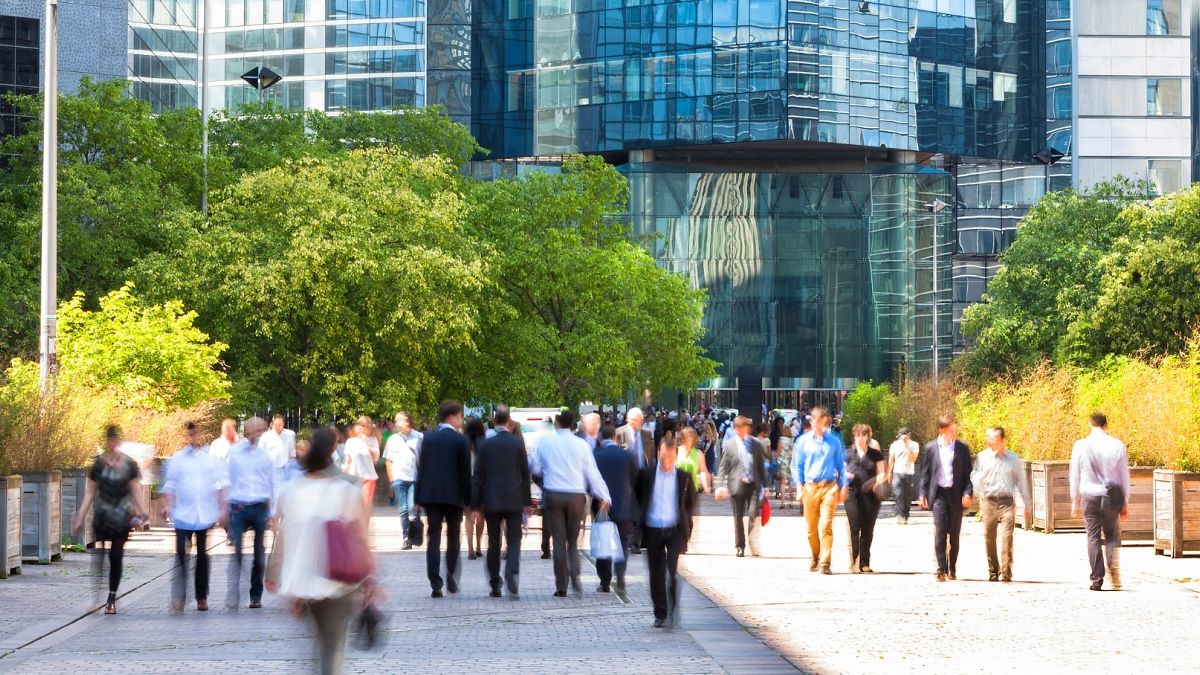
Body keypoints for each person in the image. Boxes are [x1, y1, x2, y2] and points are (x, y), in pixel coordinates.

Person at [270, 427, 374, 675]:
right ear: (333, 450)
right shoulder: (347, 488)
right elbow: (360, 537)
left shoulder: (294, 489)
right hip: (339, 581)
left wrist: (277, 577)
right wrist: (370, 579)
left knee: (320, 643)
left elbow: (285, 537)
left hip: (305, 582)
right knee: (332, 648)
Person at [531, 410, 612, 597]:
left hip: (554, 494)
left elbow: (535, 468)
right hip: (576, 496)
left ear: (557, 423)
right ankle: (575, 576)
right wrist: (605, 496)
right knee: (573, 542)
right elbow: (592, 473)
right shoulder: (581, 445)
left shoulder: (546, 442)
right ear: (573, 425)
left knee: (558, 541)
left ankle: (561, 586)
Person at [72, 425, 148, 615]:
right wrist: (80, 514)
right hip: (102, 515)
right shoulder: (98, 465)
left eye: (115, 440)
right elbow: (90, 492)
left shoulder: (129, 464)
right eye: (109, 440)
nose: (112, 444)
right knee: (99, 556)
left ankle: (111, 598)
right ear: (107, 441)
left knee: (115, 556)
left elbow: (135, 489)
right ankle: (96, 597)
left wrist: (143, 511)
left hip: (122, 517)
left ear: (119, 442)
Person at [162, 422, 227, 612]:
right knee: (181, 557)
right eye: (190, 435)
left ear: (200, 435)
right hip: (183, 514)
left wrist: (223, 508)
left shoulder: (208, 459)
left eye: (195, 434)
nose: (193, 438)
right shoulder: (178, 459)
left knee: (202, 557)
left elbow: (221, 483)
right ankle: (179, 597)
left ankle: (201, 597)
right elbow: (171, 484)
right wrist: (168, 504)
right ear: (187, 435)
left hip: (204, 514)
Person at [635, 434, 698, 628]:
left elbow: (690, 503)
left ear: (675, 455)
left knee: (672, 572)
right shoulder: (646, 474)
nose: (667, 461)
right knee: (656, 573)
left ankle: (673, 609)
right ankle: (660, 612)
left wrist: (687, 524)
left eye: (670, 457)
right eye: (663, 456)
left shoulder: (683, 477)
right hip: (653, 529)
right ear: (658, 454)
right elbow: (638, 495)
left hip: (674, 529)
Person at [471, 405, 531, 598]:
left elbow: (478, 476)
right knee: (514, 539)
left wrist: (475, 505)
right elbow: (525, 473)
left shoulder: (485, 445)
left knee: (494, 542)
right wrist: (527, 502)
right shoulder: (517, 443)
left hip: (492, 499)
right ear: (509, 423)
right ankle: (511, 570)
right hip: (514, 499)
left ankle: (495, 584)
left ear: (494, 422)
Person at [414, 400, 471, 598]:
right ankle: (451, 576)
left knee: (434, 538)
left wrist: (417, 497)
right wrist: (468, 500)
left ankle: (435, 583)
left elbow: (420, 468)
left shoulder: (427, 438)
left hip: (431, 495)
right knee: (454, 537)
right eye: (460, 417)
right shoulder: (461, 441)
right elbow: (465, 473)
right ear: (452, 417)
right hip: (454, 496)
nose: (460, 421)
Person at [1069, 413, 1131, 591]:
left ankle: (1097, 579)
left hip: (1089, 495)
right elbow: (1123, 476)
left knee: (1093, 537)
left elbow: (1075, 474)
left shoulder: (1080, 445)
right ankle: (1113, 571)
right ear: (1106, 425)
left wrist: (1075, 500)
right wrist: (1125, 501)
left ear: (1090, 425)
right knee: (1112, 535)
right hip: (1111, 496)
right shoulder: (1117, 445)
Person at [226, 416, 281, 608]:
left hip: (259, 506)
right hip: (239, 506)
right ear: (246, 431)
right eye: (252, 430)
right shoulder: (235, 453)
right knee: (238, 550)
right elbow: (228, 480)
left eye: (259, 431)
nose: (254, 435)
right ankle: (234, 590)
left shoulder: (266, 455)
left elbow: (273, 483)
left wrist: (274, 514)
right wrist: (226, 507)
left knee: (259, 553)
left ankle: (255, 595)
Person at [791, 406, 848, 574]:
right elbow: (797, 466)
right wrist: (799, 488)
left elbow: (841, 466)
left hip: (829, 486)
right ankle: (815, 555)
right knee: (811, 528)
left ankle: (825, 562)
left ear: (825, 421)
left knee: (827, 525)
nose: (816, 422)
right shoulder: (802, 441)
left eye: (820, 419)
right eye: (813, 419)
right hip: (810, 487)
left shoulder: (834, 442)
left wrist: (843, 486)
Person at [918, 415, 974, 582]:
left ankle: (952, 567)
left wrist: (968, 492)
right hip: (939, 495)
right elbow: (925, 473)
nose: (954, 433)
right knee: (941, 531)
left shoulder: (962, 448)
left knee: (954, 534)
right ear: (941, 430)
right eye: (951, 430)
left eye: (955, 430)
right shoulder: (931, 448)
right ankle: (941, 568)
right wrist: (922, 493)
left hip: (956, 495)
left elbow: (968, 475)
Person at [972, 426, 1031, 582]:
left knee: (1007, 537)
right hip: (988, 501)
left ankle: (1006, 572)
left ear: (1001, 439)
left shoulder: (1013, 458)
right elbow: (974, 476)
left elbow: (1021, 481)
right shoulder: (982, 457)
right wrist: (978, 489)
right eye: (988, 437)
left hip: (1006, 501)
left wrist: (1027, 503)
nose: (989, 439)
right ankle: (993, 570)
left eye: (992, 437)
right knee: (989, 537)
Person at [593, 424, 639, 593]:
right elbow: (635, 480)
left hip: (602, 506)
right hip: (624, 506)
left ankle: (605, 581)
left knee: (603, 542)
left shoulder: (595, 455)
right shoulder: (628, 456)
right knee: (623, 541)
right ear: (615, 437)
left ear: (600, 438)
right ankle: (620, 574)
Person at [714, 416, 767, 558]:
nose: (745, 430)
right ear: (737, 429)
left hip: (753, 485)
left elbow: (760, 466)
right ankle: (740, 545)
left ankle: (750, 538)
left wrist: (765, 486)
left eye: (746, 428)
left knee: (752, 514)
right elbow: (723, 467)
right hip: (736, 485)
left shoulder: (755, 444)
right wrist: (719, 485)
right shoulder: (730, 445)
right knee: (738, 517)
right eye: (742, 428)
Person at [845, 424, 886, 573]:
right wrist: (846, 475)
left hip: (871, 496)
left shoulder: (876, 454)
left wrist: (873, 482)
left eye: (862, 435)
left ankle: (864, 563)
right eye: (857, 435)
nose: (859, 438)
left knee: (868, 529)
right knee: (854, 527)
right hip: (852, 494)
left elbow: (883, 474)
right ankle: (854, 561)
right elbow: (840, 471)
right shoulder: (848, 454)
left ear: (868, 436)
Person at [383, 411, 422, 550]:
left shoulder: (419, 437)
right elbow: (388, 461)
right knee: (403, 510)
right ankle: (406, 538)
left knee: (412, 508)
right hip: (399, 478)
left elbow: (424, 459)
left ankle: (414, 533)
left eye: (398, 420)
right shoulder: (393, 439)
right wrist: (392, 480)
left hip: (414, 478)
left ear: (407, 421)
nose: (396, 423)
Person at [342, 417, 381, 518]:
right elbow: (347, 460)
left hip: (368, 477)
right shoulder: (350, 441)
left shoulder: (373, 440)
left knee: (365, 506)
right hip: (353, 478)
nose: (362, 428)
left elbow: (376, 458)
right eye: (360, 425)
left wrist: (365, 444)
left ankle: (364, 529)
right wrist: (345, 469)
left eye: (365, 426)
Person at [463, 417, 488, 560]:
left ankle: (470, 549)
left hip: (466, 484)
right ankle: (479, 546)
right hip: (482, 483)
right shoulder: (484, 444)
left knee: (468, 516)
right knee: (481, 516)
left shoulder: (462, 444)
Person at [888, 427, 920, 524]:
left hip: (909, 473)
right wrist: (889, 472)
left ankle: (906, 515)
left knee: (908, 496)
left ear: (909, 435)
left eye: (904, 435)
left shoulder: (914, 445)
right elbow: (891, 459)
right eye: (900, 436)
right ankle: (900, 516)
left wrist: (907, 446)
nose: (902, 438)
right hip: (897, 472)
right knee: (898, 494)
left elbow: (912, 459)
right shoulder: (894, 445)